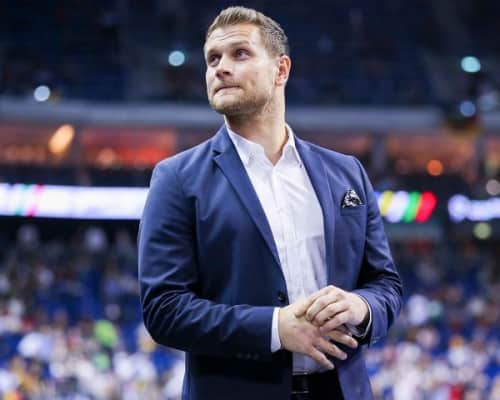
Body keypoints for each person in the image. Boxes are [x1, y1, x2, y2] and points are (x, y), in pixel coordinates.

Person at [138, 6, 403, 400]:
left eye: (240, 54)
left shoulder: (346, 172)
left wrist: (361, 307)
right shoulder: (176, 178)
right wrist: (276, 328)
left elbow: (386, 285)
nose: (221, 68)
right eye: (213, 59)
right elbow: (164, 310)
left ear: (281, 70)